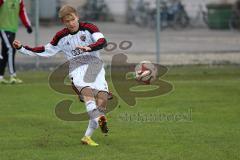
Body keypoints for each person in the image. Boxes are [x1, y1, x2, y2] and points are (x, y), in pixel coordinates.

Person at [13, 5, 109, 146]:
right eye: (67, 21)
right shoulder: (61, 36)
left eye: (73, 19)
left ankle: (87, 136)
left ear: (77, 17)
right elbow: (45, 50)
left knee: (103, 100)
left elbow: (102, 41)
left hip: (96, 67)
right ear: (63, 22)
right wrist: (22, 48)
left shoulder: (90, 28)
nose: (71, 23)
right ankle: (99, 120)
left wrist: (89, 47)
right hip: (77, 69)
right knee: (88, 93)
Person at [0, 0, 32, 84]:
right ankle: (12, 75)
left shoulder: (19, 1)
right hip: (2, 28)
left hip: (13, 29)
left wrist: (27, 25)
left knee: (5, 52)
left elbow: (22, 12)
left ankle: (0, 77)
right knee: (11, 49)